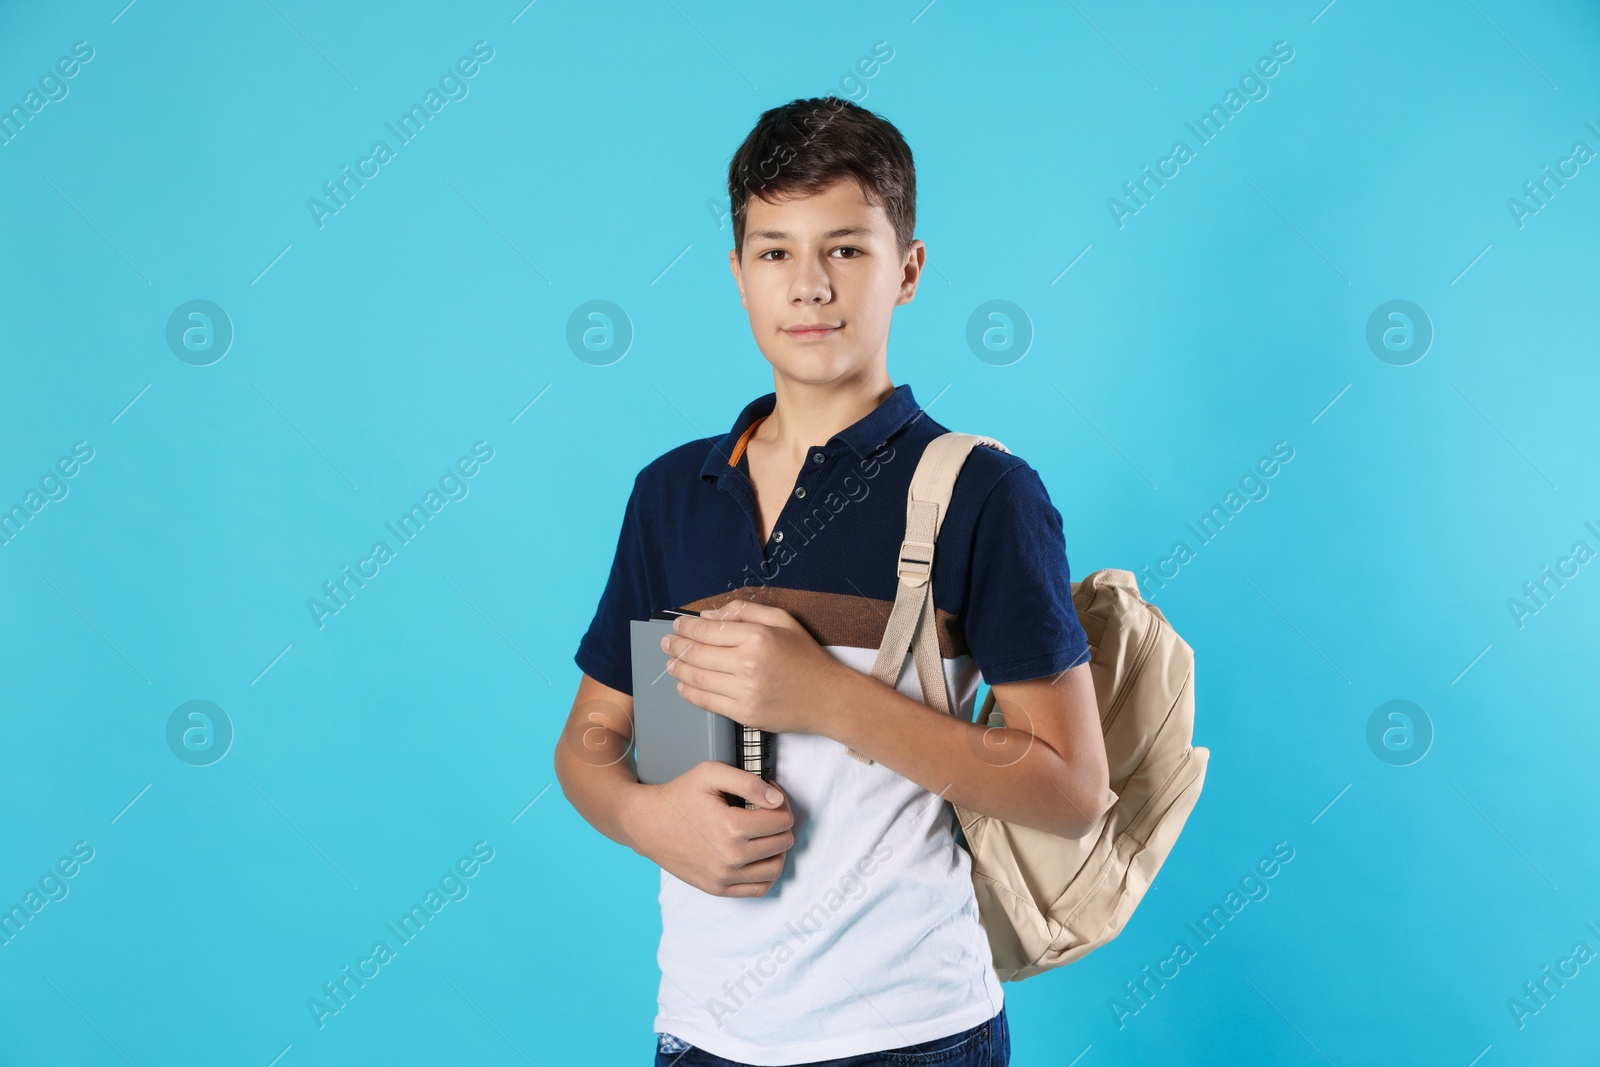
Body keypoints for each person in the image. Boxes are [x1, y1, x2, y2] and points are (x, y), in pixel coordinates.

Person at [554, 96, 1109, 1067]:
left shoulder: (982, 493)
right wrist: (647, 815)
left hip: (914, 1033)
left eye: (844, 249)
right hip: (698, 1033)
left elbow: (1069, 786)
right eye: (774, 251)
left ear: (907, 269)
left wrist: (821, 696)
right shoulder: (671, 493)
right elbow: (588, 740)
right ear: (736, 275)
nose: (808, 285)